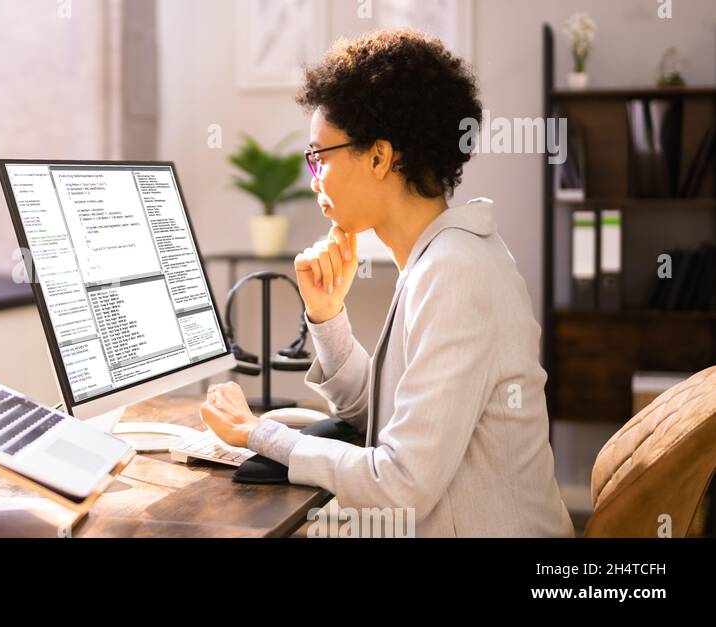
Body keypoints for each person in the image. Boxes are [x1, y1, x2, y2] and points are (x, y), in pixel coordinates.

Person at [199, 29, 574, 537]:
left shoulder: (455, 274)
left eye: (320, 156)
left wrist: (256, 434)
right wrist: (328, 318)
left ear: (379, 157)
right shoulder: (440, 259)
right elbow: (383, 416)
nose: (315, 179)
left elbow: (401, 484)